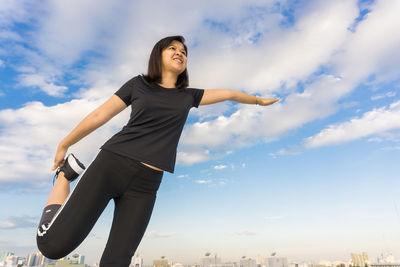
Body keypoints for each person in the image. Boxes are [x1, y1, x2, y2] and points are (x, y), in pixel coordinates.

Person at [36, 35, 279, 267]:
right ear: (158, 55)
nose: (179, 53)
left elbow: (230, 94)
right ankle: (64, 177)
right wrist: (64, 144)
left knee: (117, 261)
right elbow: (101, 114)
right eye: (172, 48)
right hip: (111, 165)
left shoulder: (188, 96)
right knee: (53, 247)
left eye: (183, 52)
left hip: (147, 184)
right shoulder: (138, 85)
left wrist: (258, 100)